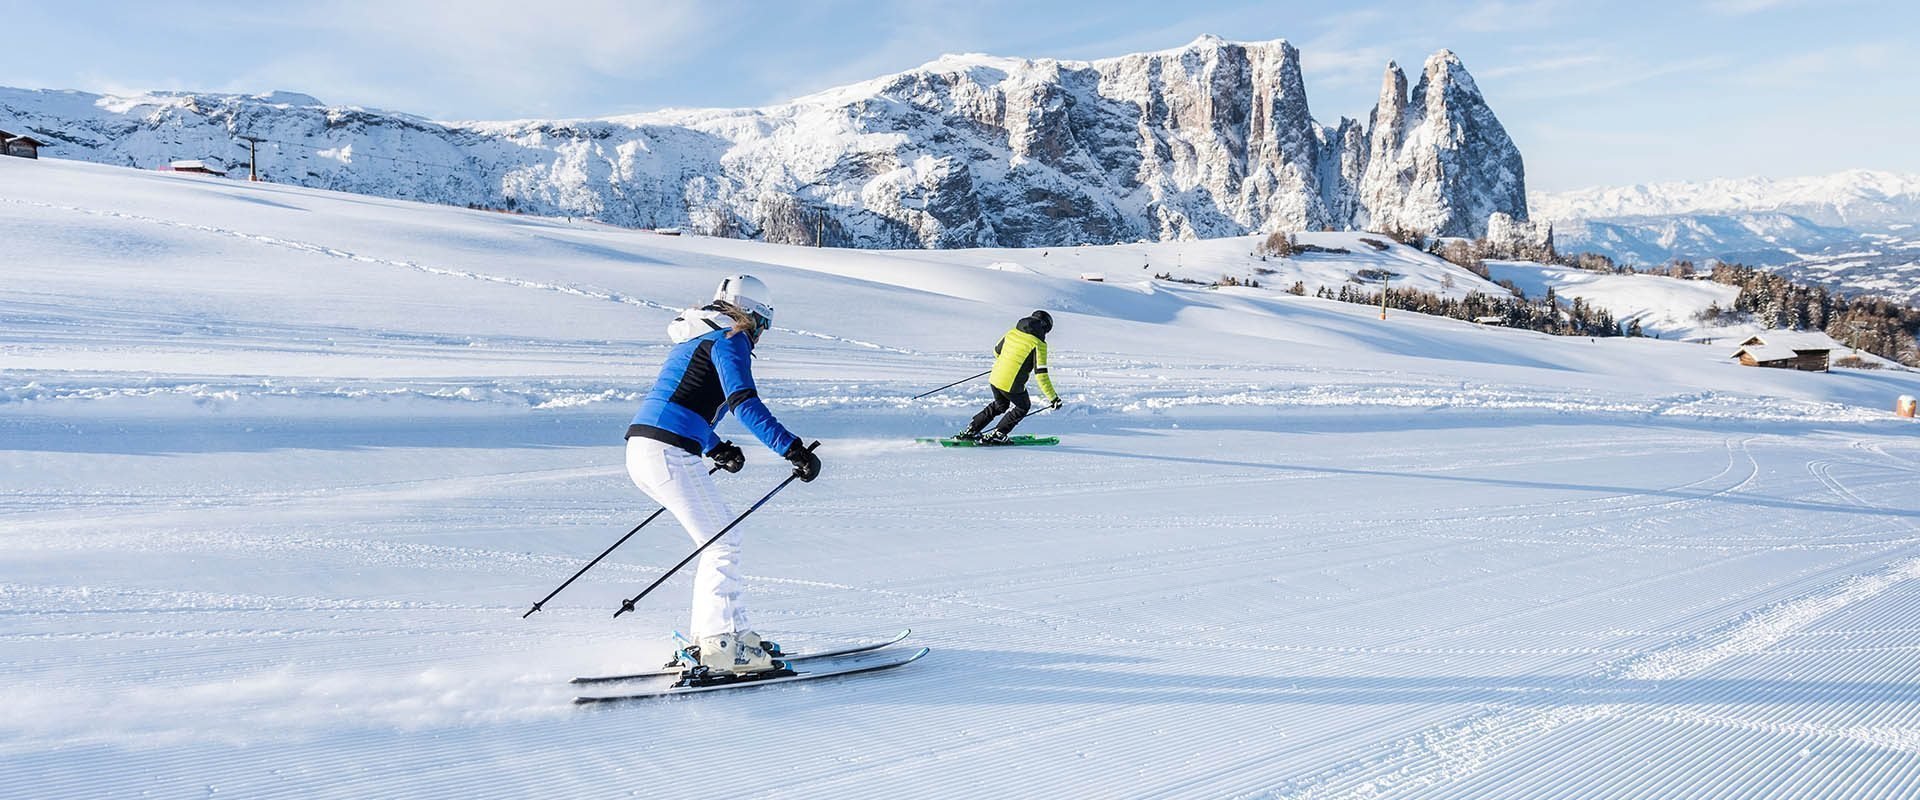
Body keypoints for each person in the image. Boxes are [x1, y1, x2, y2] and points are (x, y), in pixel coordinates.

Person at [625, 274, 822, 676]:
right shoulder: (731, 337)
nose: (760, 336)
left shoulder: (697, 335)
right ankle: (720, 645)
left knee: (718, 540)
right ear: (752, 316)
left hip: (645, 448)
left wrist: (715, 446)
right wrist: (792, 448)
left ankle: (722, 637)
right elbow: (743, 402)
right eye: (763, 326)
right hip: (667, 452)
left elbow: (682, 399)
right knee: (723, 542)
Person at [956, 310, 1062, 444]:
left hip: (995, 377)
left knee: (1000, 406)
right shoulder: (1038, 344)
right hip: (1011, 383)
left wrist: (1007, 363)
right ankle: (999, 434)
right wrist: (1053, 398)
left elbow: (996, 351)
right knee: (1023, 407)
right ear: (1045, 328)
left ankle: (971, 430)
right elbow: (1041, 374)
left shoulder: (1012, 332)